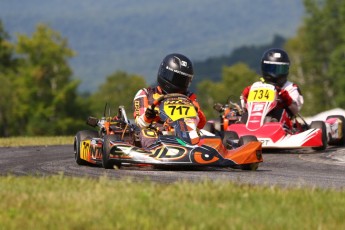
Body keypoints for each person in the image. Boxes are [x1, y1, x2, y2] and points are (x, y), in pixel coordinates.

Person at [133, 53, 206, 148]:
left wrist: (196, 111)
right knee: (147, 133)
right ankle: (154, 153)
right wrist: (148, 116)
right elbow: (140, 123)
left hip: (184, 133)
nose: (179, 83)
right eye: (176, 79)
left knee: (204, 134)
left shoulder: (189, 97)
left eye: (183, 80)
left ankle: (200, 153)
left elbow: (201, 124)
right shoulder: (145, 93)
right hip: (158, 134)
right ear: (165, 73)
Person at [240, 48, 304, 123]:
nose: (275, 73)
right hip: (256, 119)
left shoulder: (290, 87)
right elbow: (243, 107)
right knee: (244, 116)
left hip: (283, 123)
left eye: (280, 69)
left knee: (278, 113)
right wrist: (244, 97)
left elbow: (295, 110)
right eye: (271, 68)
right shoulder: (256, 86)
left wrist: (285, 97)